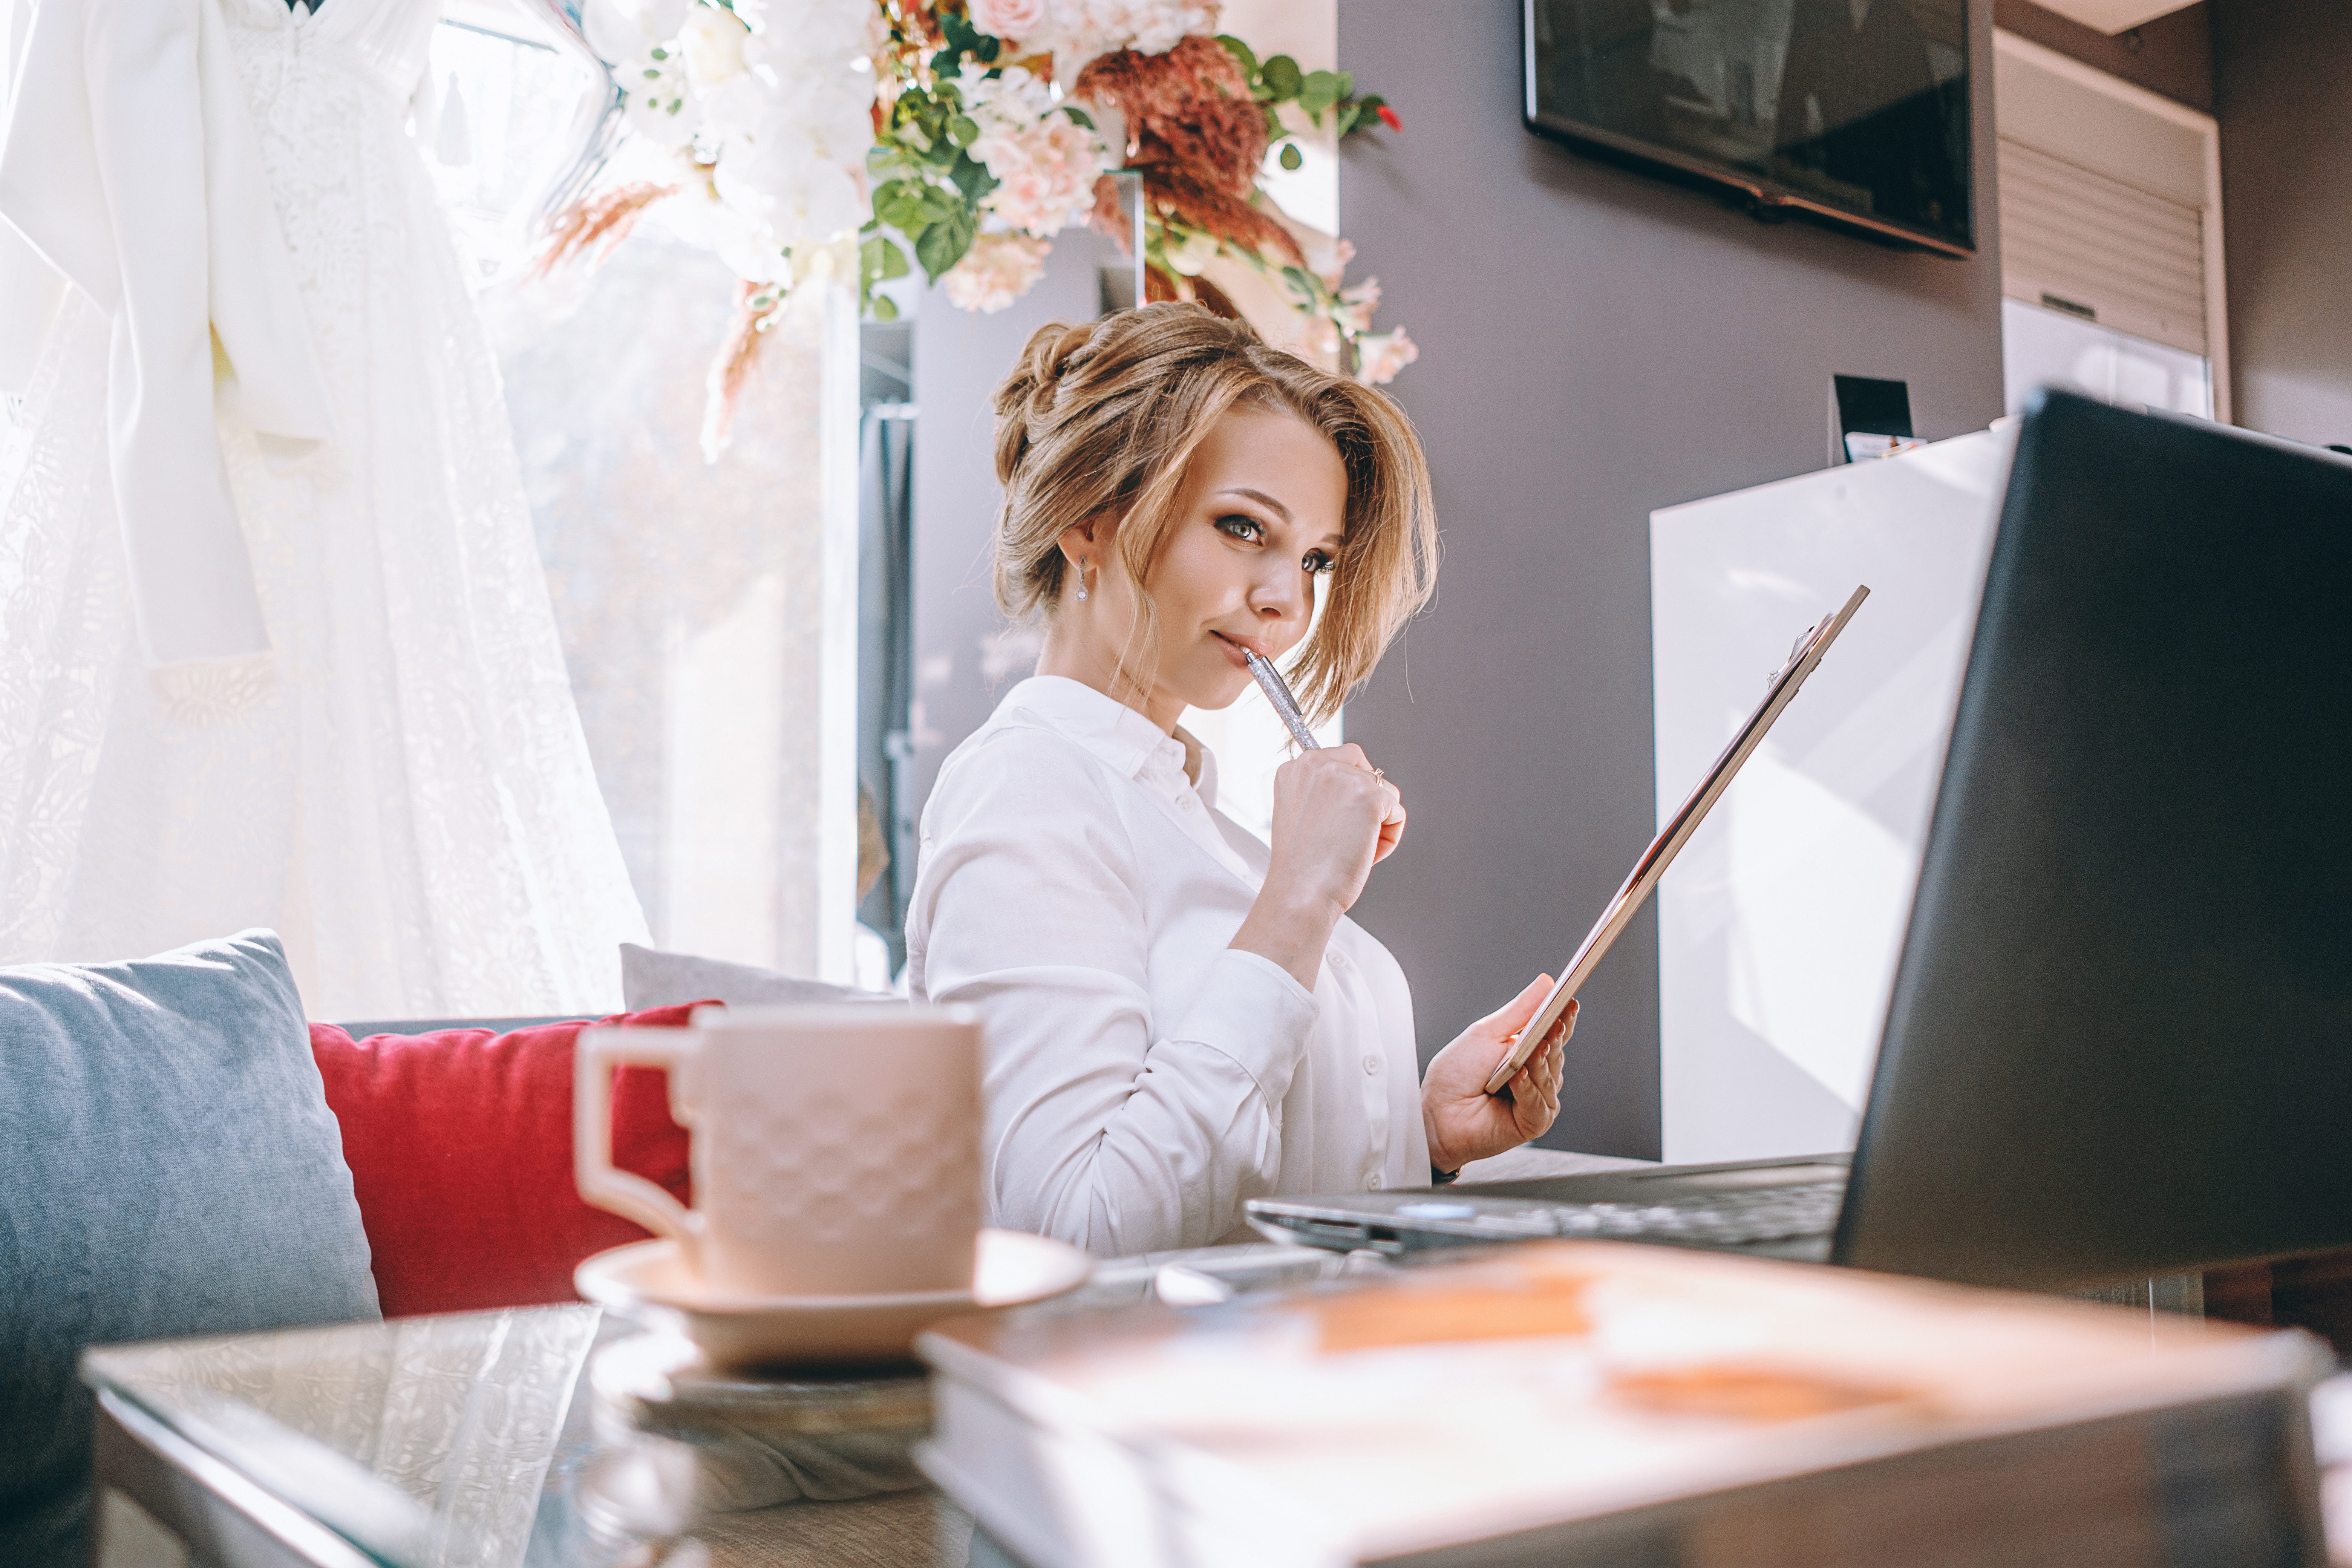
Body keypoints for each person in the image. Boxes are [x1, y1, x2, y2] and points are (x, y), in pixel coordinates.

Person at [0, 0, 648, 1015]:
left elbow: (610, 47)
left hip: (374, 279)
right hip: (164, 236)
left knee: (384, 672)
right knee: (131, 676)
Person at [906, 304, 1576, 1256]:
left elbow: (1248, 1175)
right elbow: (1078, 1233)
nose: (1288, 602)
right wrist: (1300, 897)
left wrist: (1424, 1138)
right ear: (1086, 521)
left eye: (1314, 559)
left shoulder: (1189, 818)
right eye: (1241, 528)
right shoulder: (1026, 792)